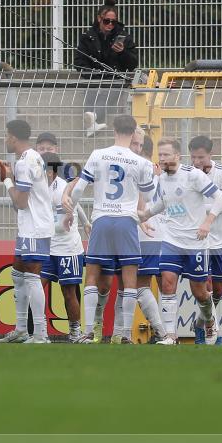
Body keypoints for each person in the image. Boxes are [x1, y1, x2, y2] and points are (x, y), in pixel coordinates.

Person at [63, 114, 155, 344]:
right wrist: (144, 215)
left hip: (102, 218)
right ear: (134, 132)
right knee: (129, 278)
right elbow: (151, 196)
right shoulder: (141, 162)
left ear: (113, 129)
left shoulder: (98, 155)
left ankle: (87, 331)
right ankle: (124, 333)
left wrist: (69, 211)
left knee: (92, 275)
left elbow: (78, 189)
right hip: (126, 221)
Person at [139, 138, 222, 346]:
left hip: (195, 242)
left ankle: (209, 320)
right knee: (168, 283)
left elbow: (220, 198)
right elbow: (163, 202)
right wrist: (145, 215)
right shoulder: (162, 179)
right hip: (171, 240)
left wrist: (207, 222)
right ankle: (170, 335)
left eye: (166, 155)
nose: (162, 158)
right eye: (160, 155)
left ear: (177, 156)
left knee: (200, 293)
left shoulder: (193, 175)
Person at [90, 127, 165, 344]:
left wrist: (141, 219)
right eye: (134, 144)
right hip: (123, 230)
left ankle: (142, 332)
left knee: (135, 285)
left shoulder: (144, 167)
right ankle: (111, 331)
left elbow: (144, 200)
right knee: (113, 285)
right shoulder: (123, 164)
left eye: (140, 145)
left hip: (140, 233)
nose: (136, 148)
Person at [0, 119, 55, 344]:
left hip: (35, 227)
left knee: (31, 276)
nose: (5, 140)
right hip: (30, 226)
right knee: (18, 273)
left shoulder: (25, 162)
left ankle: (40, 334)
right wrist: (10, 176)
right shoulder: (31, 157)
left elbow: (20, 201)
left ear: (14, 137)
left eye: (6, 135)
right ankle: (20, 329)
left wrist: (7, 180)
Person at [188, 135, 222, 345]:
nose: (196, 162)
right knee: (205, 290)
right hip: (197, 241)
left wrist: (200, 208)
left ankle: (200, 323)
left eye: (201, 157)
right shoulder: (188, 175)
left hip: (219, 241)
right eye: (193, 157)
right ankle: (213, 333)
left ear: (210, 154)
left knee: (217, 291)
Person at [40, 151, 89, 343]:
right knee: (35, 287)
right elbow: (78, 207)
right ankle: (40, 331)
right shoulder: (41, 188)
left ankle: (75, 333)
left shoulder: (61, 190)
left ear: (50, 171)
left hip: (67, 248)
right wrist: (85, 222)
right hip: (48, 248)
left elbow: (61, 226)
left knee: (68, 292)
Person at [74, 0, 139, 137]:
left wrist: (122, 53)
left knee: (108, 93)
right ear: (99, 19)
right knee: (92, 91)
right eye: (106, 21)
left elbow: (133, 63)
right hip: (92, 78)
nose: (110, 24)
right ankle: (92, 123)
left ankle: (93, 116)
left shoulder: (124, 37)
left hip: (115, 79)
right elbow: (79, 61)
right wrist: (92, 74)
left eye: (113, 22)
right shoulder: (87, 37)